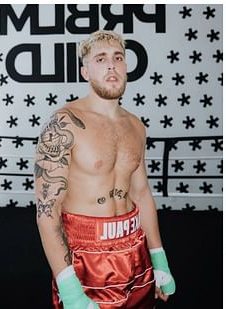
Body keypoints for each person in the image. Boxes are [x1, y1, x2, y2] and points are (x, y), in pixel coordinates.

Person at [34, 30, 175, 308]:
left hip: (135, 249)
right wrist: (70, 289)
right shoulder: (64, 124)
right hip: (85, 255)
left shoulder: (136, 125)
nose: (111, 65)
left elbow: (142, 193)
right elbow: (46, 211)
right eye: (101, 58)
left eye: (118, 57)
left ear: (125, 67)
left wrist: (159, 258)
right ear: (85, 72)